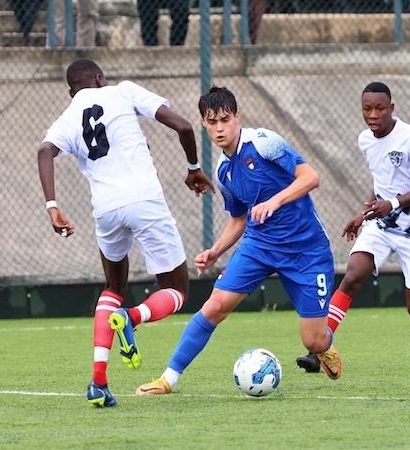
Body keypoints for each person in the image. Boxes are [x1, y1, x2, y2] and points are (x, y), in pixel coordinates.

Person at [134, 86, 343, 396]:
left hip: (306, 251)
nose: (219, 128)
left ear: (237, 117)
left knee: (312, 340)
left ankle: (325, 346)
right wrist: (216, 250)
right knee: (214, 306)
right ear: (203, 124)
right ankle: (168, 379)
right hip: (258, 246)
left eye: (225, 120)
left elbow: (311, 177)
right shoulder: (222, 171)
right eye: (211, 122)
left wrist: (276, 201)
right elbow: (239, 219)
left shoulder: (264, 143)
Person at [37, 59, 214, 407]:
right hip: (145, 200)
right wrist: (193, 168)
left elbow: (45, 151)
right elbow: (184, 125)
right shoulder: (124, 91)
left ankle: (98, 382)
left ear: (72, 91)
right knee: (176, 289)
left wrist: (52, 206)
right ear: (100, 78)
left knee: (113, 287)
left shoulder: (68, 116)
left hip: (105, 210)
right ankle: (130, 317)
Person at [295, 82, 410, 373]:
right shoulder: (366, 140)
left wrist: (393, 204)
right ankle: (320, 348)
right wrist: (363, 215)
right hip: (382, 227)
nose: (373, 114)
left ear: (392, 109)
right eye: (367, 109)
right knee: (352, 275)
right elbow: (383, 183)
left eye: (379, 108)